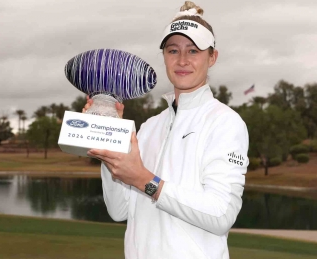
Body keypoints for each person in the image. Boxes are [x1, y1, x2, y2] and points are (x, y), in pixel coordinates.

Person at [85, 2, 249, 258]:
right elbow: (118, 211)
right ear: (164, 56)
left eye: (193, 50)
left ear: (212, 57)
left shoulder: (225, 122)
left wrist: (143, 179)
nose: (182, 60)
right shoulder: (150, 127)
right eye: (173, 50)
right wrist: (110, 140)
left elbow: (221, 214)